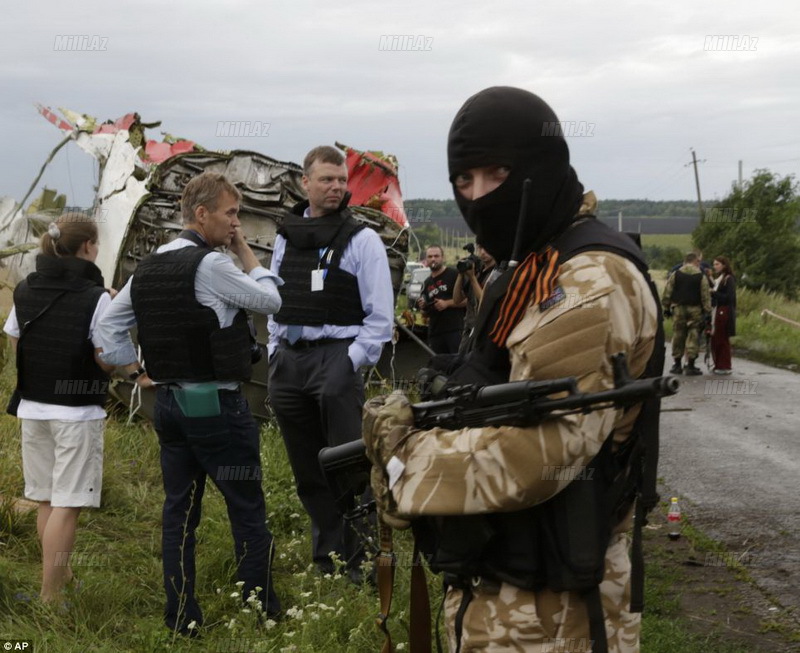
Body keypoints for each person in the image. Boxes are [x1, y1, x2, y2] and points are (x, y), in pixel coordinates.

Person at [364, 86, 661, 652]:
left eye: (495, 174)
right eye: (463, 182)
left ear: (540, 167)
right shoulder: (529, 269)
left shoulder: (588, 282)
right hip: (498, 590)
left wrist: (404, 462)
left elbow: (538, 457)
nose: (477, 199)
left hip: (555, 613)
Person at [96, 172, 283, 634]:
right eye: (231, 213)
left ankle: (180, 615)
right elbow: (272, 301)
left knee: (179, 511)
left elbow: (107, 329)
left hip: (171, 407)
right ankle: (262, 611)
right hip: (217, 405)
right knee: (246, 506)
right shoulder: (212, 265)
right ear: (202, 214)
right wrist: (246, 254)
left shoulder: (151, 265)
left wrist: (134, 371)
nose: (236, 223)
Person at [267, 145, 394, 580]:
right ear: (306, 182)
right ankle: (327, 559)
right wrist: (274, 351)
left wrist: (349, 362)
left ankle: (361, 562)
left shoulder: (362, 239)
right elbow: (274, 298)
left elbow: (380, 318)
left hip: (336, 360)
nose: (337, 187)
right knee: (307, 470)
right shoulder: (285, 236)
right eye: (327, 179)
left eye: (342, 180)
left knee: (348, 468)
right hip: (289, 363)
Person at [3, 212, 114, 603]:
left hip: (33, 407)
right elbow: (106, 359)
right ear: (87, 248)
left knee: (47, 499)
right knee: (67, 504)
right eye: (97, 243)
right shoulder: (97, 297)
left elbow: (16, 340)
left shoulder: (26, 288)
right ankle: (50, 597)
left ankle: (61, 577)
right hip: (76, 412)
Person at [662, 251, 711, 375]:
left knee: (678, 335)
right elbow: (705, 295)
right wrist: (707, 312)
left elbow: (668, 291)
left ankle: (677, 364)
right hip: (695, 309)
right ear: (695, 261)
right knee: (693, 335)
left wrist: (666, 308)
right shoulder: (701, 276)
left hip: (679, 308)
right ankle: (690, 365)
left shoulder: (676, 274)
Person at [417, 245, 466, 354]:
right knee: (439, 368)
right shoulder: (426, 283)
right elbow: (424, 314)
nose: (433, 259)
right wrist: (423, 307)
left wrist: (447, 303)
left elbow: (469, 300)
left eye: (436, 256)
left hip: (455, 330)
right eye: (430, 256)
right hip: (435, 333)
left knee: (456, 366)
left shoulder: (454, 275)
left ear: (442, 258)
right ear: (426, 260)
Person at [453, 243, 496, 354]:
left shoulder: (497, 273)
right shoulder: (477, 271)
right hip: (469, 326)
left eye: (486, 248)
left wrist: (472, 278)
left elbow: (486, 302)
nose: (482, 252)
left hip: (485, 329)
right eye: (480, 248)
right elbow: (457, 299)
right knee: (461, 361)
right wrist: (461, 274)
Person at [710, 256, 736, 374]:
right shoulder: (719, 279)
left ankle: (724, 365)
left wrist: (714, 293)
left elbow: (729, 298)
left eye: (717, 264)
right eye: (714, 264)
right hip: (718, 310)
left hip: (724, 311)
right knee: (716, 338)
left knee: (722, 338)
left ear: (724, 265)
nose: (715, 266)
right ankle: (718, 364)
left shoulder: (728, 279)